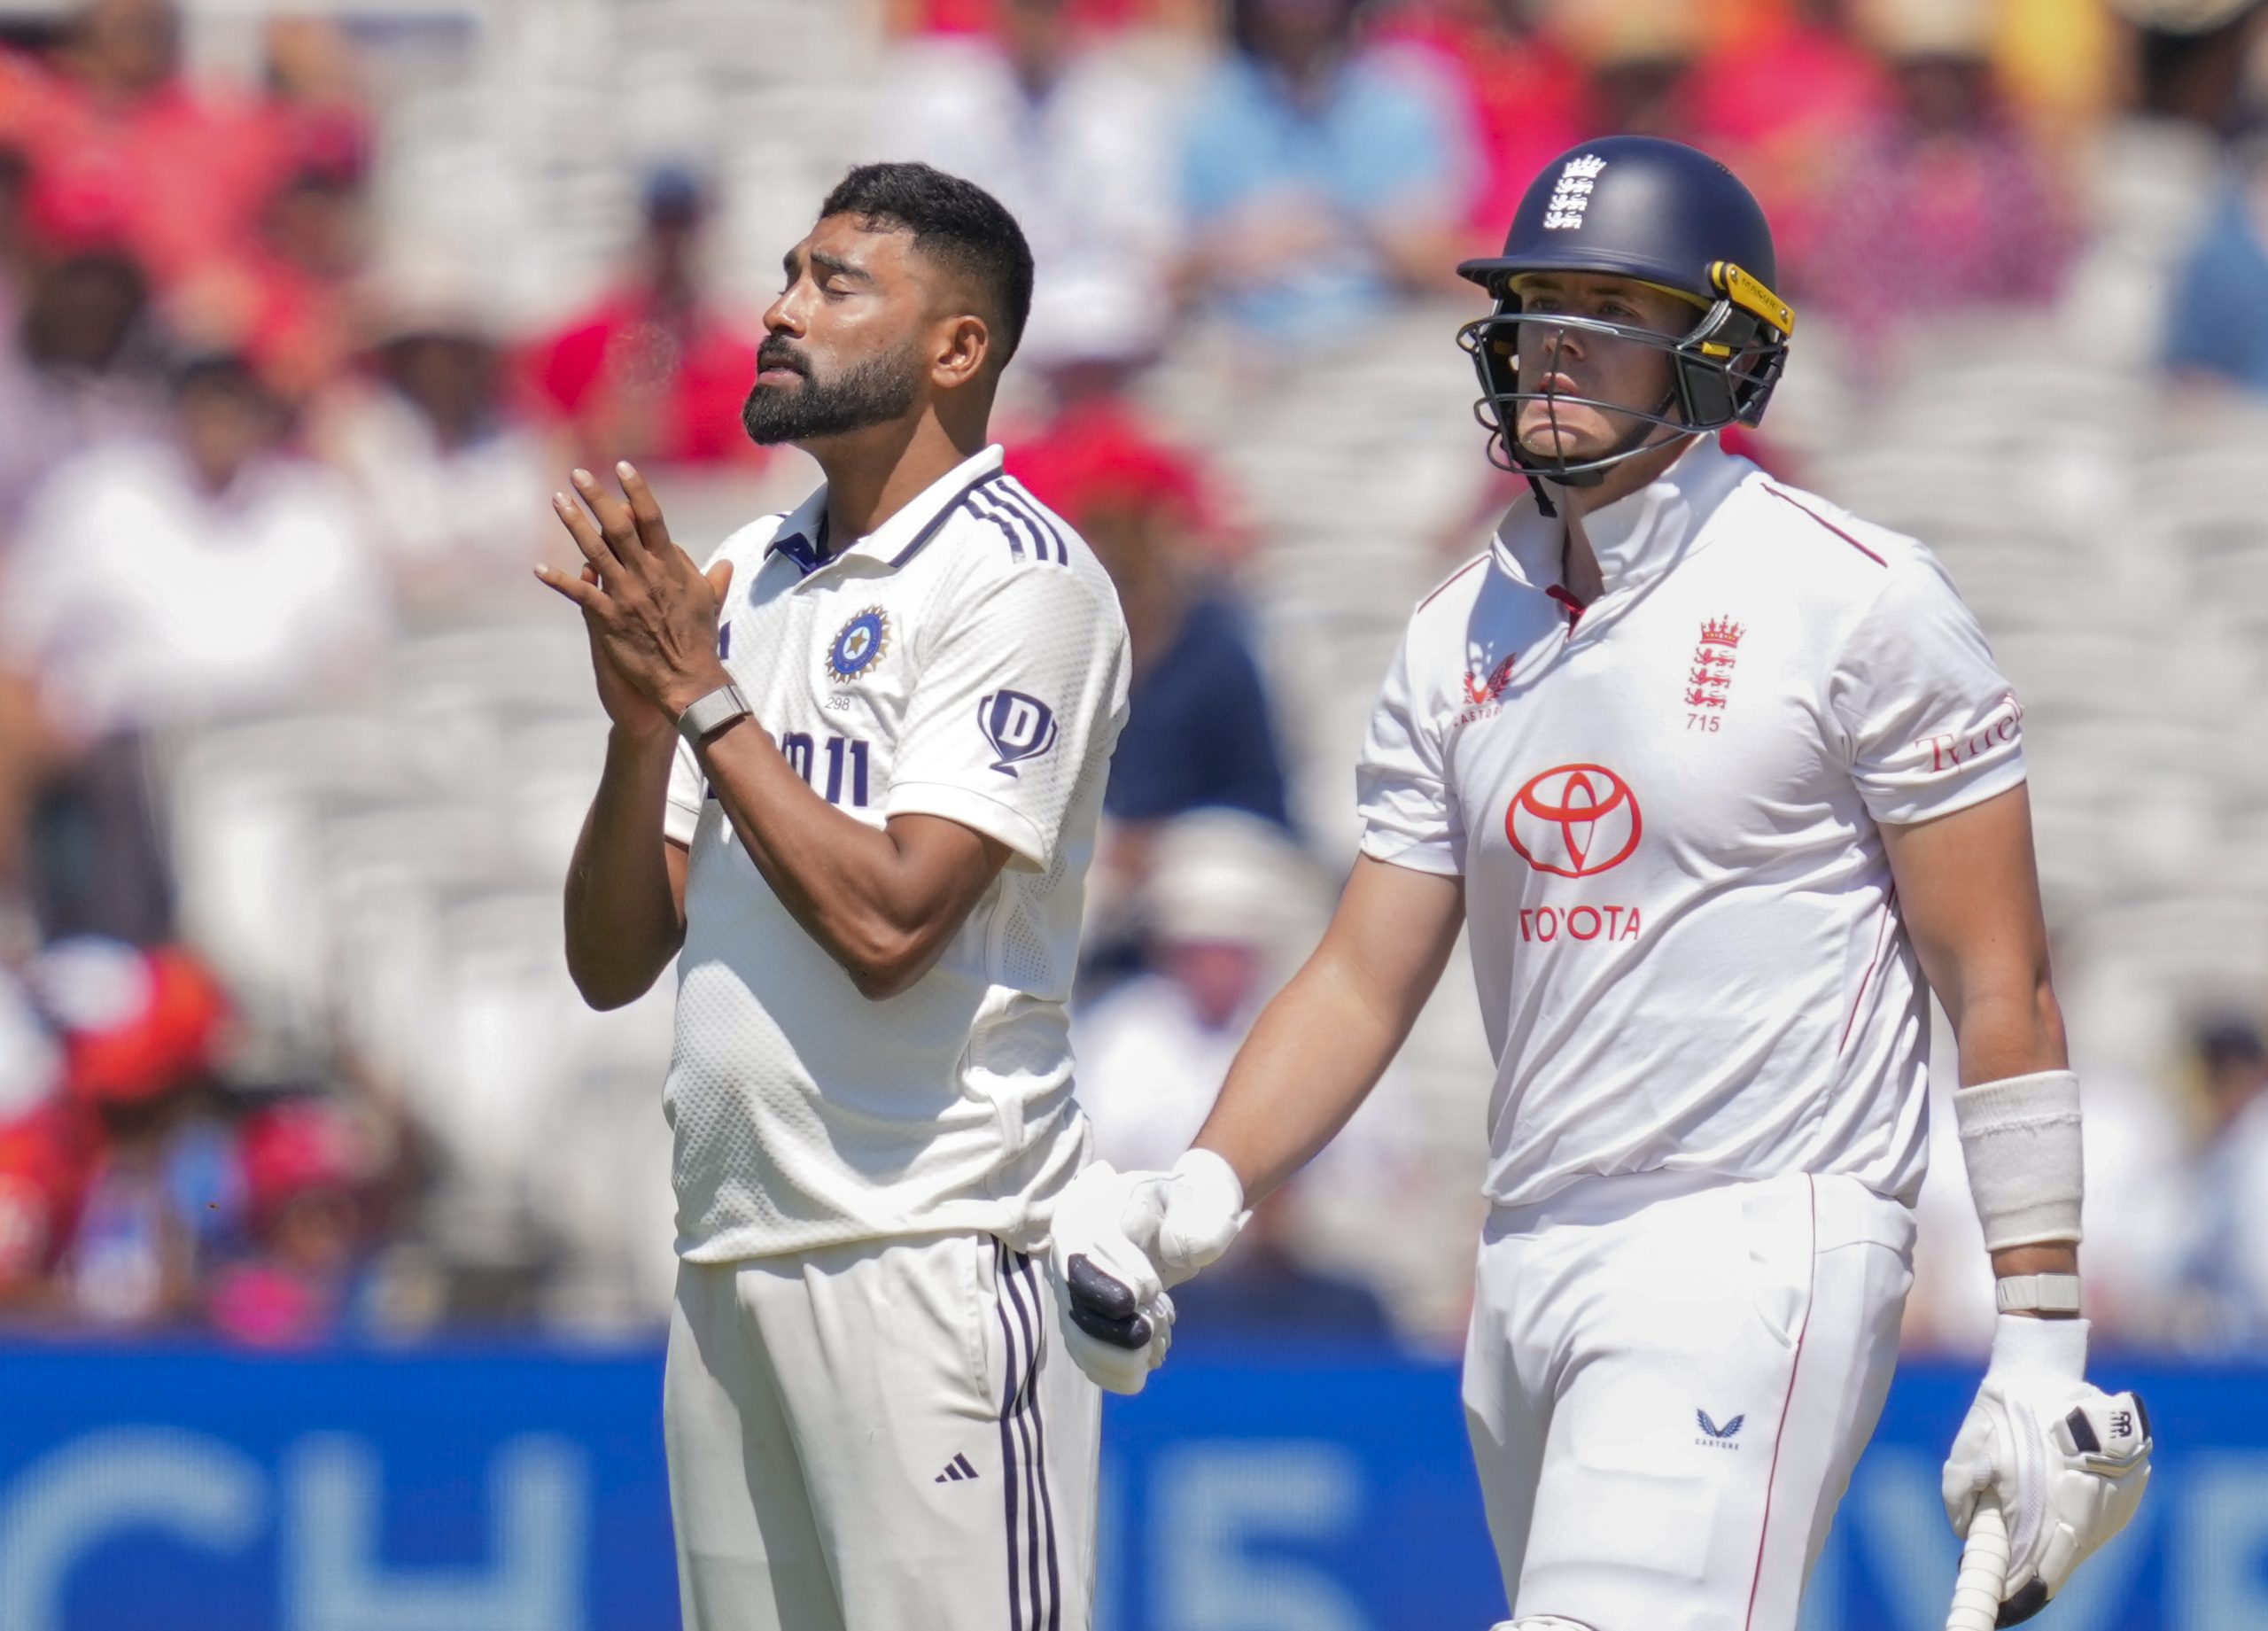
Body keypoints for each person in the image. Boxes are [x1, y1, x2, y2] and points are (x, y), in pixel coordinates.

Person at [1050, 136, 2151, 1631]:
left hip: (1760, 1230)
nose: (1552, 345)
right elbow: (1366, 972)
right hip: (1529, 1252)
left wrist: (2038, 1343)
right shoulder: (1453, 635)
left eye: (1606, 306)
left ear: (1722, 350)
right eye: (1535, 304)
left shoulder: (1861, 598)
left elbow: (1999, 980)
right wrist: (1193, 1191)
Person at [540, 161, 1130, 1630]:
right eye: (788, 275)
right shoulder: (745, 572)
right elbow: (613, 960)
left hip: (932, 1258)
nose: (778, 311)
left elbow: (891, 925)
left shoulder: (1023, 583)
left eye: (833, 283)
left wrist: (702, 696)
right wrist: (639, 729)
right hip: (730, 1258)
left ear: (957, 348)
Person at [525, 165, 764, 471]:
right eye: (663, 224)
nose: (674, 240)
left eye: (683, 225)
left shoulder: (736, 356)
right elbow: (543, 427)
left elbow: (749, 463)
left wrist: (669, 428)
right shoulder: (586, 337)